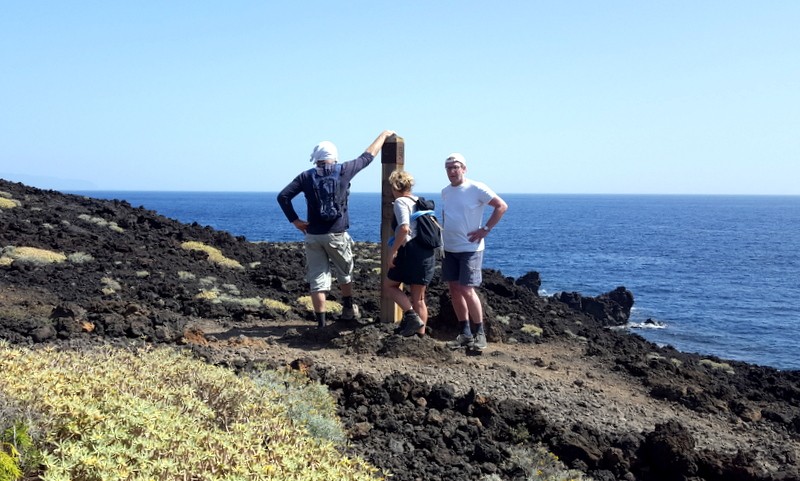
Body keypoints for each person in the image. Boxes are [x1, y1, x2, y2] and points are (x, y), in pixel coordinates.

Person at [277, 130, 396, 328]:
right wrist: (383, 136)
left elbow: (283, 197)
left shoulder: (305, 177)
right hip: (337, 234)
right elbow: (367, 157)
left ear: (316, 159)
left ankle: (321, 324)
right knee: (344, 272)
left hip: (313, 235)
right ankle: (348, 310)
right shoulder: (344, 170)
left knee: (317, 279)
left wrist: (296, 221)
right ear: (334, 156)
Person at [441, 153, 508, 350]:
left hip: (470, 248)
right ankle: (465, 333)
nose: (452, 171)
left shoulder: (476, 187)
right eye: (448, 168)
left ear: (464, 168)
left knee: (467, 289)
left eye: (456, 167)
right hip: (449, 247)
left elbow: (501, 206)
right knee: (454, 290)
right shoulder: (445, 191)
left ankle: (480, 333)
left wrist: (485, 229)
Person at [383, 170, 436, 337]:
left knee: (389, 286)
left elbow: (404, 228)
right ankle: (420, 336)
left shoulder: (401, 202)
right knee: (419, 298)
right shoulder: (418, 201)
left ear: (395, 186)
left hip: (411, 252)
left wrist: (393, 251)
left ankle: (411, 316)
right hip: (426, 253)